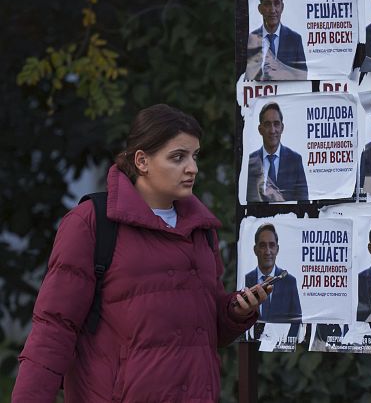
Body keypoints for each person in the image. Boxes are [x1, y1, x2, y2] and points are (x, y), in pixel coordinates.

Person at [13, 104, 264, 402]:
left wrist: (235, 312)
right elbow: (53, 328)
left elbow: (204, 333)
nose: (192, 168)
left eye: (194, 156)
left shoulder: (202, 230)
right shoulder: (91, 223)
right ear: (142, 161)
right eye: (178, 157)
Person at [245, 0, 308, 80]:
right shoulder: (250, 40)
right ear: (260, 9)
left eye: (276, 3)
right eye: (267, 4)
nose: (273, 9)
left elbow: (303, 76)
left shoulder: (295, 40)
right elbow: (246, 77)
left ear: (282, 7)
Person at [246, 102, 308, 202]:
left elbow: (304, 201)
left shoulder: (295, 160)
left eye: (276, 124)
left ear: (282, 128)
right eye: (267, 124)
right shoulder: (249, 162)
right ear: (260, 129)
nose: (272, 130)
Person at [244, 223, 302, 325]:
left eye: (272, 245)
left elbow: (296, 320)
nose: (268, 251)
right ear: (255, 249)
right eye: (262, 246)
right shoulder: (245, 279)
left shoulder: (289, 281)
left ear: (277, 249)